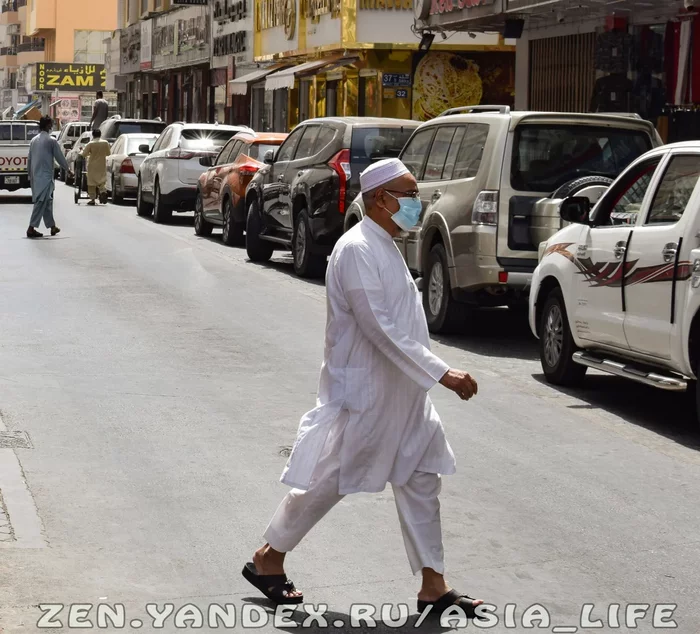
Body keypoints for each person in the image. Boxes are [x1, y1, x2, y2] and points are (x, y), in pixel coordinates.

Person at [243, 158, 484, 618]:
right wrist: (443, 373)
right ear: (380, 199)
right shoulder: (356, 249)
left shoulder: (385, 244)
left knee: (420, 478)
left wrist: (427, 378)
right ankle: (268, 557)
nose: (417, 203)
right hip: (368, 394)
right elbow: (380, 328)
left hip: (405, 395)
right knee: (330, 479)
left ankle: (434, 584)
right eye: (409, 194)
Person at [26, 115, 69, 239]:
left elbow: (29, 159)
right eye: (51, 124)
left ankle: (52, 226)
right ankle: (31, 228)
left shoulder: (34, 140)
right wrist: (68, 169)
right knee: (41, 202)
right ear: (48, 125)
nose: (52, 126)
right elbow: (59, 157)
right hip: (45, 177)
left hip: (36, 176)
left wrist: (30, 174)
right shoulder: (51, 141)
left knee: (47, 202)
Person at [81, 128, 111, 206]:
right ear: (100, 135)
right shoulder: (105, 143)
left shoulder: (90, 144)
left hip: (92, 166)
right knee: (101, 181)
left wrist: (82, 152)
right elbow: (108, 153)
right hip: (102, 164)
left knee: (91, 183)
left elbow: (84, 154)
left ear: (93, 135)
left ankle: (93, 199)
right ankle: (103, 191)